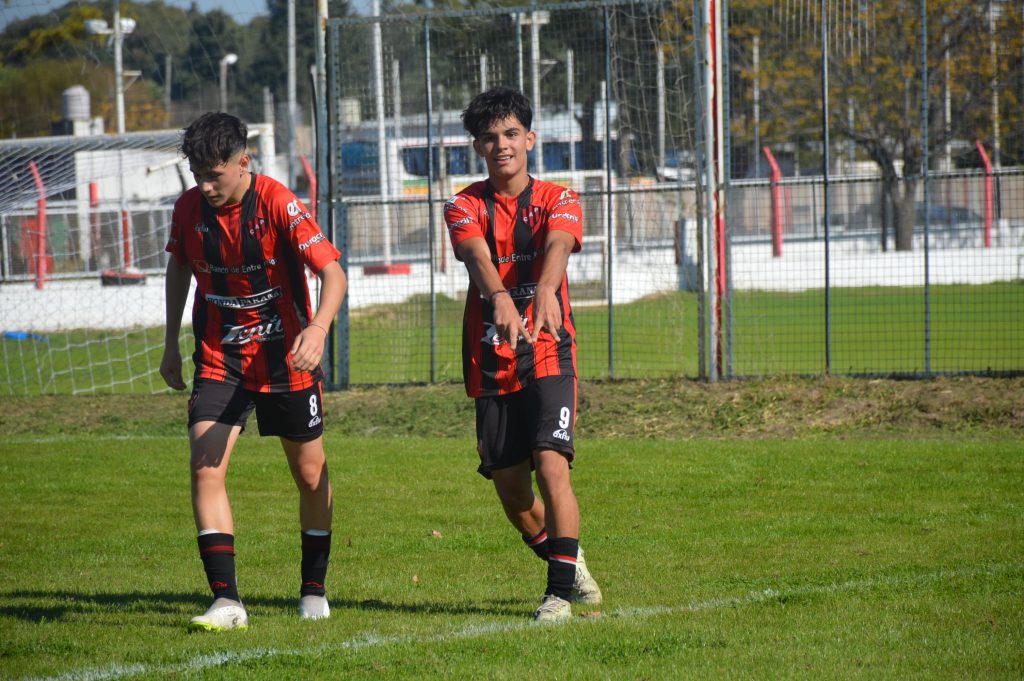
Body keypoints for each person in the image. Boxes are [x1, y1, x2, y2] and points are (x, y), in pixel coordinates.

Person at [160, 112, 347, 631]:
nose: (205, 185)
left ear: (244, 162)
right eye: (197, 174)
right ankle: (227, 602)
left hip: (287, 358)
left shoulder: (277, 203)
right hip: (219, 357)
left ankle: (313, 589)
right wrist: (171, 342)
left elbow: (333, 273)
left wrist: (318, 329)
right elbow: (179, 267)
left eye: (214, 174)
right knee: (205, 467)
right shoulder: (188, 209)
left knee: (310, 474)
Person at [443, 87, 602, 623]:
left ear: (530, 139)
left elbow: (559, 243)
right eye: (490, 137)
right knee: (512, 492)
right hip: (490, 360)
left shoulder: (560, 197)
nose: (502, 145)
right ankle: (569, 563)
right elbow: (475, 255)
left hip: (549, 351)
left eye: (511, 133)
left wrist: (546, 289)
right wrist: (501, 298)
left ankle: (557, 594)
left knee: (553, 465)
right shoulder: (463, 205)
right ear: (478, 147)